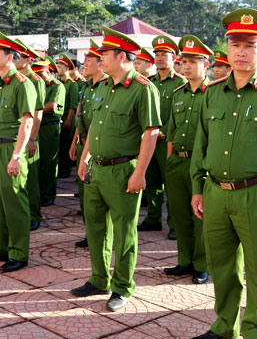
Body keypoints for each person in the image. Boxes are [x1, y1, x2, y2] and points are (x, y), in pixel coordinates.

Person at [189, 8, 257, 339]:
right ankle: (224, 326)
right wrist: (197, 188)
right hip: (216, 193)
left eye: (250, 45)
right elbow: (200, 143)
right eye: (235, 43)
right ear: (226, 48)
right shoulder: (212, 92)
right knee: (221, 266)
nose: (241, 51)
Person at [73, 26, 161, 312]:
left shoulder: (143, 89)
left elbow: (150, 133)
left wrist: (140, 173)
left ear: (121, 56)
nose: (100, 59)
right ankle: (99, 278)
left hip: (124, 170)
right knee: (95, 228)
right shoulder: (102, 87)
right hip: (97, 169)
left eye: (105, 54)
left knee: (124, 232)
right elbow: (94, 128)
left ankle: (122, 286)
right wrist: (85, 159)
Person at [0, 33, 37, 273]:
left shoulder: (23, 84)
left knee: (14, 202)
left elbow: (27, 123)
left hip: (10, 148)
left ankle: (19, 253)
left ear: (9, 57)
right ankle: (2, 247)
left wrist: (16, 156)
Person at [164, 35, 211, 284]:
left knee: (200, 215)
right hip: (177, 162)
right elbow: (171, 129)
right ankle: (185, 261)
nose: (187, 66)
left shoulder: (214, 92)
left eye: (194, 61)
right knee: (180, 213)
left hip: (201, 164)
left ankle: (202, 264)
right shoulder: (178, 93)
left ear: (206, 64)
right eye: (184, 61)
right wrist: (170, 158)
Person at [139, 35, 184, 238]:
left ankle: (175, 223)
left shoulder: (181, 83)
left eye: (164, 54)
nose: (159, 58)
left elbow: (179, 114)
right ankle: (153, 218)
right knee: (152, 181)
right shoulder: (149, 83)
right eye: (156, 54)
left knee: (172, 186)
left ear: (174, 57)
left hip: (168, 142)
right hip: (150, 141)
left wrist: (162, 133)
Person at [69, 40, 108, 248]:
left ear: (100, 63)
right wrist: (75, 141)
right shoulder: (86, 86)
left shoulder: (106, 86)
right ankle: (89, 233)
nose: (84, 63)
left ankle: (100, 235)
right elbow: (81, 117)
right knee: (84, 195)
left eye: (89, 60)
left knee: (96, 196)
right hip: (83, 142)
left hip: (95, 147)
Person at [14, 39, 45, 231]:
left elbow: (37, 112)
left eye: (20, 56)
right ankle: (22, 213)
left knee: (31, 179)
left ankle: (34, 214)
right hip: (16, 136)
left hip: (29, 136)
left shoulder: (35, 80)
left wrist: (32, 139)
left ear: (27, 60)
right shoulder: (15, 80)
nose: (17, 59)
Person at [34, 58, 65, 209]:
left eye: (40, 73)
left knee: (49, 162)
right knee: (38, 162)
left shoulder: (57, 86)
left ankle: (49, 194)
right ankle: (39, 192)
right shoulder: (36, 84)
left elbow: (51, 106)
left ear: (48, 71)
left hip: (49, 126)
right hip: (37, 124)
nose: (38, 77)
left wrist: (34, 111)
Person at [57, 54, 79, 179]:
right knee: (60, 145)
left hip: (67, 118)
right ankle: (60, 168)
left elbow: (73, 105)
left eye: (60, 67)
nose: (57, 69)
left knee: (66, 145)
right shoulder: (59, 83)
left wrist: (68, 120)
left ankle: (66, 169)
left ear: (66, 69)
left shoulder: (72, 84)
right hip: (59, 118)